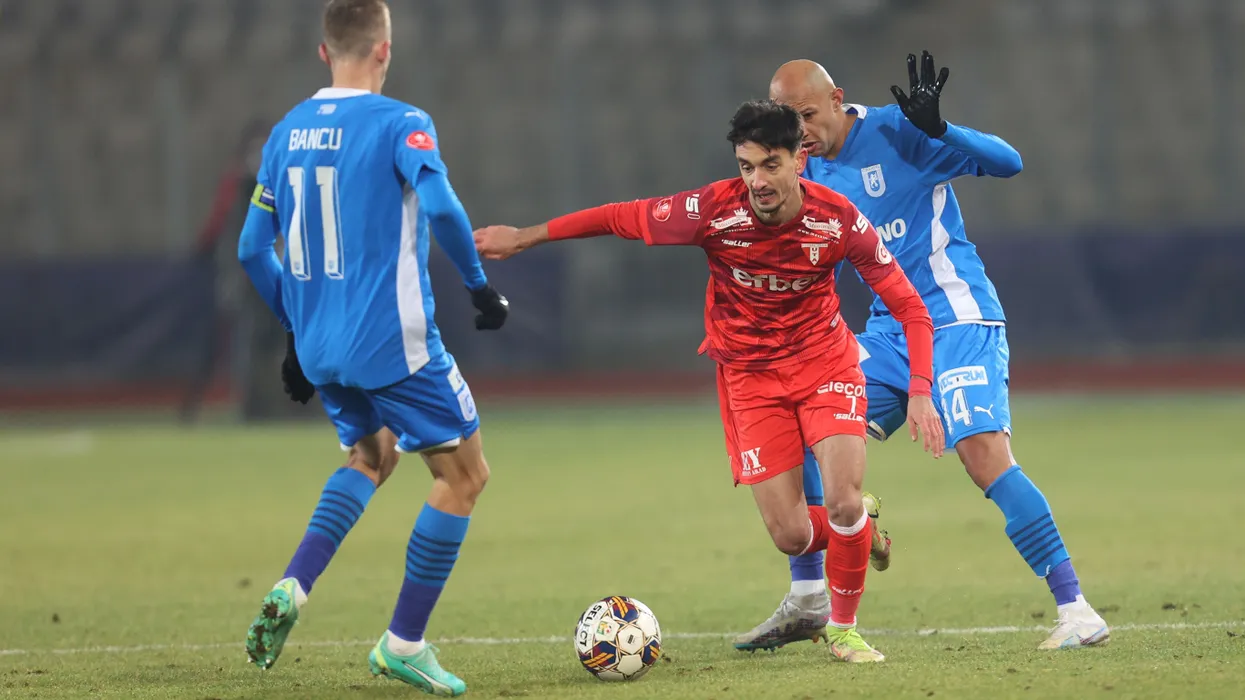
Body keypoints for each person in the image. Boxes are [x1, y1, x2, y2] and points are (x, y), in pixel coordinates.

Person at [474, 99, 943, 663]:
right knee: (792, 536)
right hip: (750, 379)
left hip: (826, 365)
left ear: (800, 160)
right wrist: (524, 238)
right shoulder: (712, 210)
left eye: (770, 165)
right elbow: (621, 217)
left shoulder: (838, 219)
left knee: (840, 499)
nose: (757, 181)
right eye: (746, 166)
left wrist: (921, 391)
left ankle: (844, 629)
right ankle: (859, 530)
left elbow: (911, 308)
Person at [738, 53, 1109, 652]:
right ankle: (808, 595)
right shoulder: (802, 173)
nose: (798, 130)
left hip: (956, 316)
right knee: (804, 427)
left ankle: (1077, 610)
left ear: (837, 99)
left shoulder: (899, 130)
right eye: (786, 119)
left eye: (806, 114)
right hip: (890, 334)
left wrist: (940, 129)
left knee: (982, 453)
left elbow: (1009, 162)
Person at [235, 1, 509, 695]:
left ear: (323, 52)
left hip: (320, 345)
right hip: (392, 344)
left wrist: (294, 331)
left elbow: (252, 250)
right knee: (464, 476)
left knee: (370, 455)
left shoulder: (285, 132)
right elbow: (441, 207)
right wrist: (479, 288)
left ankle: (294, 584)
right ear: (384, 49)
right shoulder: (401, 123)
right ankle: (403, 643)